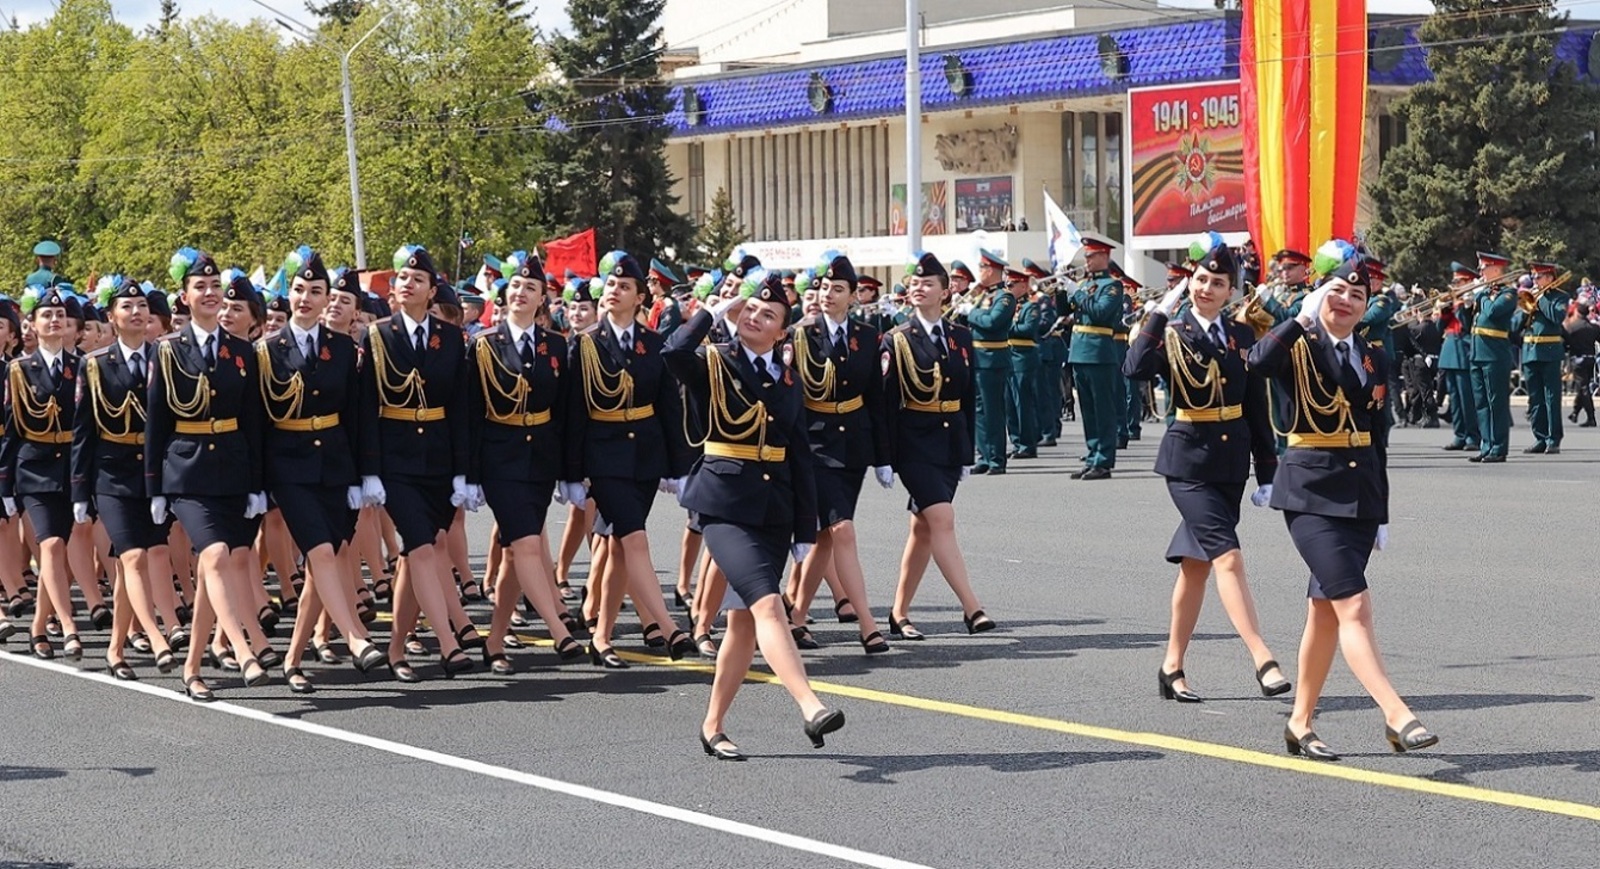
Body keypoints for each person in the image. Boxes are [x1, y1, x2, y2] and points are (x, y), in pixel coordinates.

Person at [1248, 241, 1438, 760]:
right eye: (1337, 290)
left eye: (1358, 295)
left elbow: (1379, 439)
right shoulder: (1296, 343)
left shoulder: (1373, 356)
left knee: (1325, 612)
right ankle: (1397, 715)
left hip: (1360, 496)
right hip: (1309, 492)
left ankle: (1300, 723)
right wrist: (1299, 318)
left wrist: (1383, 513)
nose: (1347, 301)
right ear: (1317, 294)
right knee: (1353, 604)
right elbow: (1258, 362)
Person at [664, 270, 843, 760]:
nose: (756, 316)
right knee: (768, 605)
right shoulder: (715, 361)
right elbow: (673, 353)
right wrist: (710, 313)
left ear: (782, 331)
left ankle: (712, 725)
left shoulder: (787, 379)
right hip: (724, 505)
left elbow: (799, 454)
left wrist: (805, 527)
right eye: (752, 309)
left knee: (743, 624)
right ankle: (810, 706)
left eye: (769, 314)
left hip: (774, 510)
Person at [1124, 237, 1288, 703]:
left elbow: (1255, 406)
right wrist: (1159, 314)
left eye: (1217, 283)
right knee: (1228, 558)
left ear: (1230, 290)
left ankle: (1171, 666)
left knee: (1195, 568)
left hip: (1230, 462)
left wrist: (1267, 470)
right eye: (1199, 280)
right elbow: (1134, 369)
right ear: (1188, 282)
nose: (1206, 289)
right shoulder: (1172, 331)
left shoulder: (1242, 335)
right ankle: (1263, 658)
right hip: (1188, 462)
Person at [257, 246, 389, 693]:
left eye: (316, 291)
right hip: (288, 466)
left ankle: (293, 659)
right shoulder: (267, 351)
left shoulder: (344, 348)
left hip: (335, 465)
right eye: (299, 290)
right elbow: (257, 423)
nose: (306, 298)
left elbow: (358, 415)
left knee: (322, 565)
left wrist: (365, 474)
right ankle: (355, 636)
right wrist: (257, 482)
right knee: (321, 552)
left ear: (327, 298)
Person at [146, 249, 271, 701]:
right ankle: (243, 649)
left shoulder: (242, 351)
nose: (211, 293)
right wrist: (154, 488)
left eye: (216, 286)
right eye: (200, 286)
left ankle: (192, 668)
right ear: (185, 297)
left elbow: (253, 420)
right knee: (216, 555)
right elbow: (157, 422)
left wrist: (257, 484)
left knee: (215, 569)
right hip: (187, 472)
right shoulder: (167, 350)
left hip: (232, 470)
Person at [560, 250, 694, 668]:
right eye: (611, 285)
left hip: (646, 456)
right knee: (634, 538)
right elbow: (574, 412)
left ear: (640, 297)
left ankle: (601, 638)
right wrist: (572, 472)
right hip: (604, 457)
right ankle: (669, 628)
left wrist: (678, 467)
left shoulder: (653, 344)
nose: (614, 291)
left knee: (619, 548)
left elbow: (669, 407)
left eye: (624, 286)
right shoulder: (584, 344)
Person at [358, 245, 478, 682]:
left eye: (418, 280)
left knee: (416, 555)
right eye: (403, 279)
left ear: (432, 292)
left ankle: (396, 649)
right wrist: (369, 470)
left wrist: (464, 471)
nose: (408, 284)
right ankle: (448, 644)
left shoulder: (451, 338)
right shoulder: (377, 336)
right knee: (423, 546)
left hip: (439, 459)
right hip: (396, 459)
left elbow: (461, 407)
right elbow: (366, 407)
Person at [467, 250, 587, 672]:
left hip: (541, 459)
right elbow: (470, 413)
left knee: (516, 557)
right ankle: (559, 629)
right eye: (515, 285)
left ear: (542, 299)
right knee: (527, 545)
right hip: (499, 458)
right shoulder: (484, 344)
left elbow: (567, 413)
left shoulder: (555, 344)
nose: (520, 292)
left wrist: (571, 473)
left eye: (530, 287)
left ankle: (494, 642)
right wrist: (469, 475)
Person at [72, 275, 180, 680]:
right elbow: (84, 432)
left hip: (153, 475)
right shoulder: (95, 364)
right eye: (127, 307)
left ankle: (115, 649)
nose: (136, 313)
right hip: (112, 475)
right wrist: (79, 491)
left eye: (142, 307)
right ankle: (155, 635)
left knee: (135, 564)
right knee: (132, 557)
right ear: (112, 316)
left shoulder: (165, 357)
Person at [882, 253, 994, 640]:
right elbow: (886, 402)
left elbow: (968, 397)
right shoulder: (896, 339)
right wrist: (884, 457)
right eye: (914, 282)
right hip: (914, 444)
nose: (918, 287)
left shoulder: (960, 336)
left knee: (924, 530)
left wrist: (968, 451)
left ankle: (898, 613)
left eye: (928, 283)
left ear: (945, 292)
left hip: (949, 443)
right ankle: (972, 608)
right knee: (942, 518)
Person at [786, 253, 892, 654]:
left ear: (853, 296)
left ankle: (797, 617)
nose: (828, 294)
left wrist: (883, 457)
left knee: (824, 538)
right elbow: (788, 397)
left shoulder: (867, 336)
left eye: (838, 289)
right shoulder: (799, 335)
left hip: (853, 445)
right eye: (825, 287)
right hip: (813, 445)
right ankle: (868, 624)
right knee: (842, 529)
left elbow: (877, 399)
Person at [2, 286, 85, 661]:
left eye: (60, 316)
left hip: (71, 468)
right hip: (33, 469)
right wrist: (5, 484)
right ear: (32, 325)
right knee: (50, 545)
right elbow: (12, 431)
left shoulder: (82, 367)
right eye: (46, 315)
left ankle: (38, 627)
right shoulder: (19, 370)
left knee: (59, 553)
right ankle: (68, 625)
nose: (54, 320)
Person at [1061, 237, 1123, 479]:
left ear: (1104, 256)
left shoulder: (1112, 286)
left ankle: (1103, 460)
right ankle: (1092, 455)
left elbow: (1099, 313)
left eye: (1091, 256)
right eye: (1086, 256)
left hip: (1099, 353)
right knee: (1087, 410)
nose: (1086, 260)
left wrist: (1077, 294)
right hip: (1079, 352)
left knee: (1102, 409)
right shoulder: (1086, 285)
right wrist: (1062, 292)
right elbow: (1064, 313)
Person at [966, 251, 1019, 474]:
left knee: (993, 410)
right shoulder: (983, 296)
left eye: (981, 268)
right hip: (977, 358)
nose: (979, 272)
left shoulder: (1004, 297)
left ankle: (997, 458)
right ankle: (984, 456)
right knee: (979, 411)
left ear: (990, 270)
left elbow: (992, 321)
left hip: (992, 359)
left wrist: (971, 313)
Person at [1465, 252, 1516, 463]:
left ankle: (1498, 447)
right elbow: (1471, 323)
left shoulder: (1509, 293)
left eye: (1483, 267)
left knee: (1496, 403)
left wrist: (1480, 296)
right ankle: (1486, 445)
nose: (1480, 271)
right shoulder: (1485, 293)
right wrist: (1466, 305)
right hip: (1477, 353)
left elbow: (1493, 312)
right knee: (1481, 404)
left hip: (1495, 355)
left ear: (1496, 269)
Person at [1516, 262, 1571, 454]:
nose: (1535, 281)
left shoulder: (1560, 297)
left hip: (1549, 352)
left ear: (1549, 278)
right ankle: (1540, 437)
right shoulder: (1529, 296)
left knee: (1551, 397)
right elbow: (1515, 326)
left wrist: (1540, 300)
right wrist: (1524, 308)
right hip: (1530, 352)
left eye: (1538, 277)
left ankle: (1553, 439)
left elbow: (1557, 317)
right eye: (1533, 277)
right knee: (1535, 398)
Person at [1007, 259, 1047, 459]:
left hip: (1023, 357)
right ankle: (1016, 441)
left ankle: (1027, 444)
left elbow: (1027, 329)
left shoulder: (1030, 307)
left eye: (1012, 284)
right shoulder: (1007, 306)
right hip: (1008, 357)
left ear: (1023, 286)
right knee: (1009, 405)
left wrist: (1004, 325)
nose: (1008, 288)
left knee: (1022, 403)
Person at [1438, 263, 1480, 451]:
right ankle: (1459, 434)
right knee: (1454, 399)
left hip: (1464, 350)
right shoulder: (1454, 302)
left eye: (1459, 281)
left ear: (1469, 281)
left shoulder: (1473, 300)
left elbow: (1467, 324)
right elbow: (1439, 329)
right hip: (1450, 351)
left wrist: (1461, 306)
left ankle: (1472, 436)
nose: (1455, 285)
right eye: (1454, 281)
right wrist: (1444, 312)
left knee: (1467, 398)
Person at [1565, 303, 1598, 427]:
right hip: (1590, 358)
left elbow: (1565, 342)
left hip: (1578, 359)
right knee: (1583, 386)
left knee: (1583, 388)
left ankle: (1591, 417)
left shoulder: (1572, 327)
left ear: (1577, 312)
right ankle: (1575, 413)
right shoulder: (1593, 327)